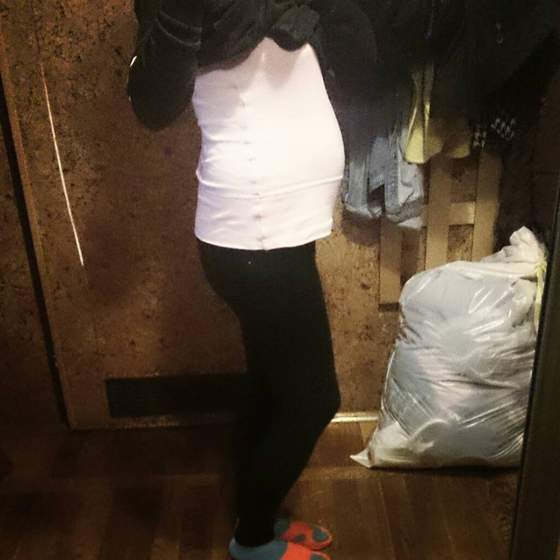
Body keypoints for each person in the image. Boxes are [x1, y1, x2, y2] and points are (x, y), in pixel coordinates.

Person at [127, 2, 375, 559]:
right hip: (255, 228)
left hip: (277, 227)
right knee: (315, 398)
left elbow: (362, 67)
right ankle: (253, 539)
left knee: (272, 386)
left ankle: (256, 517)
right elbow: (153, 104)